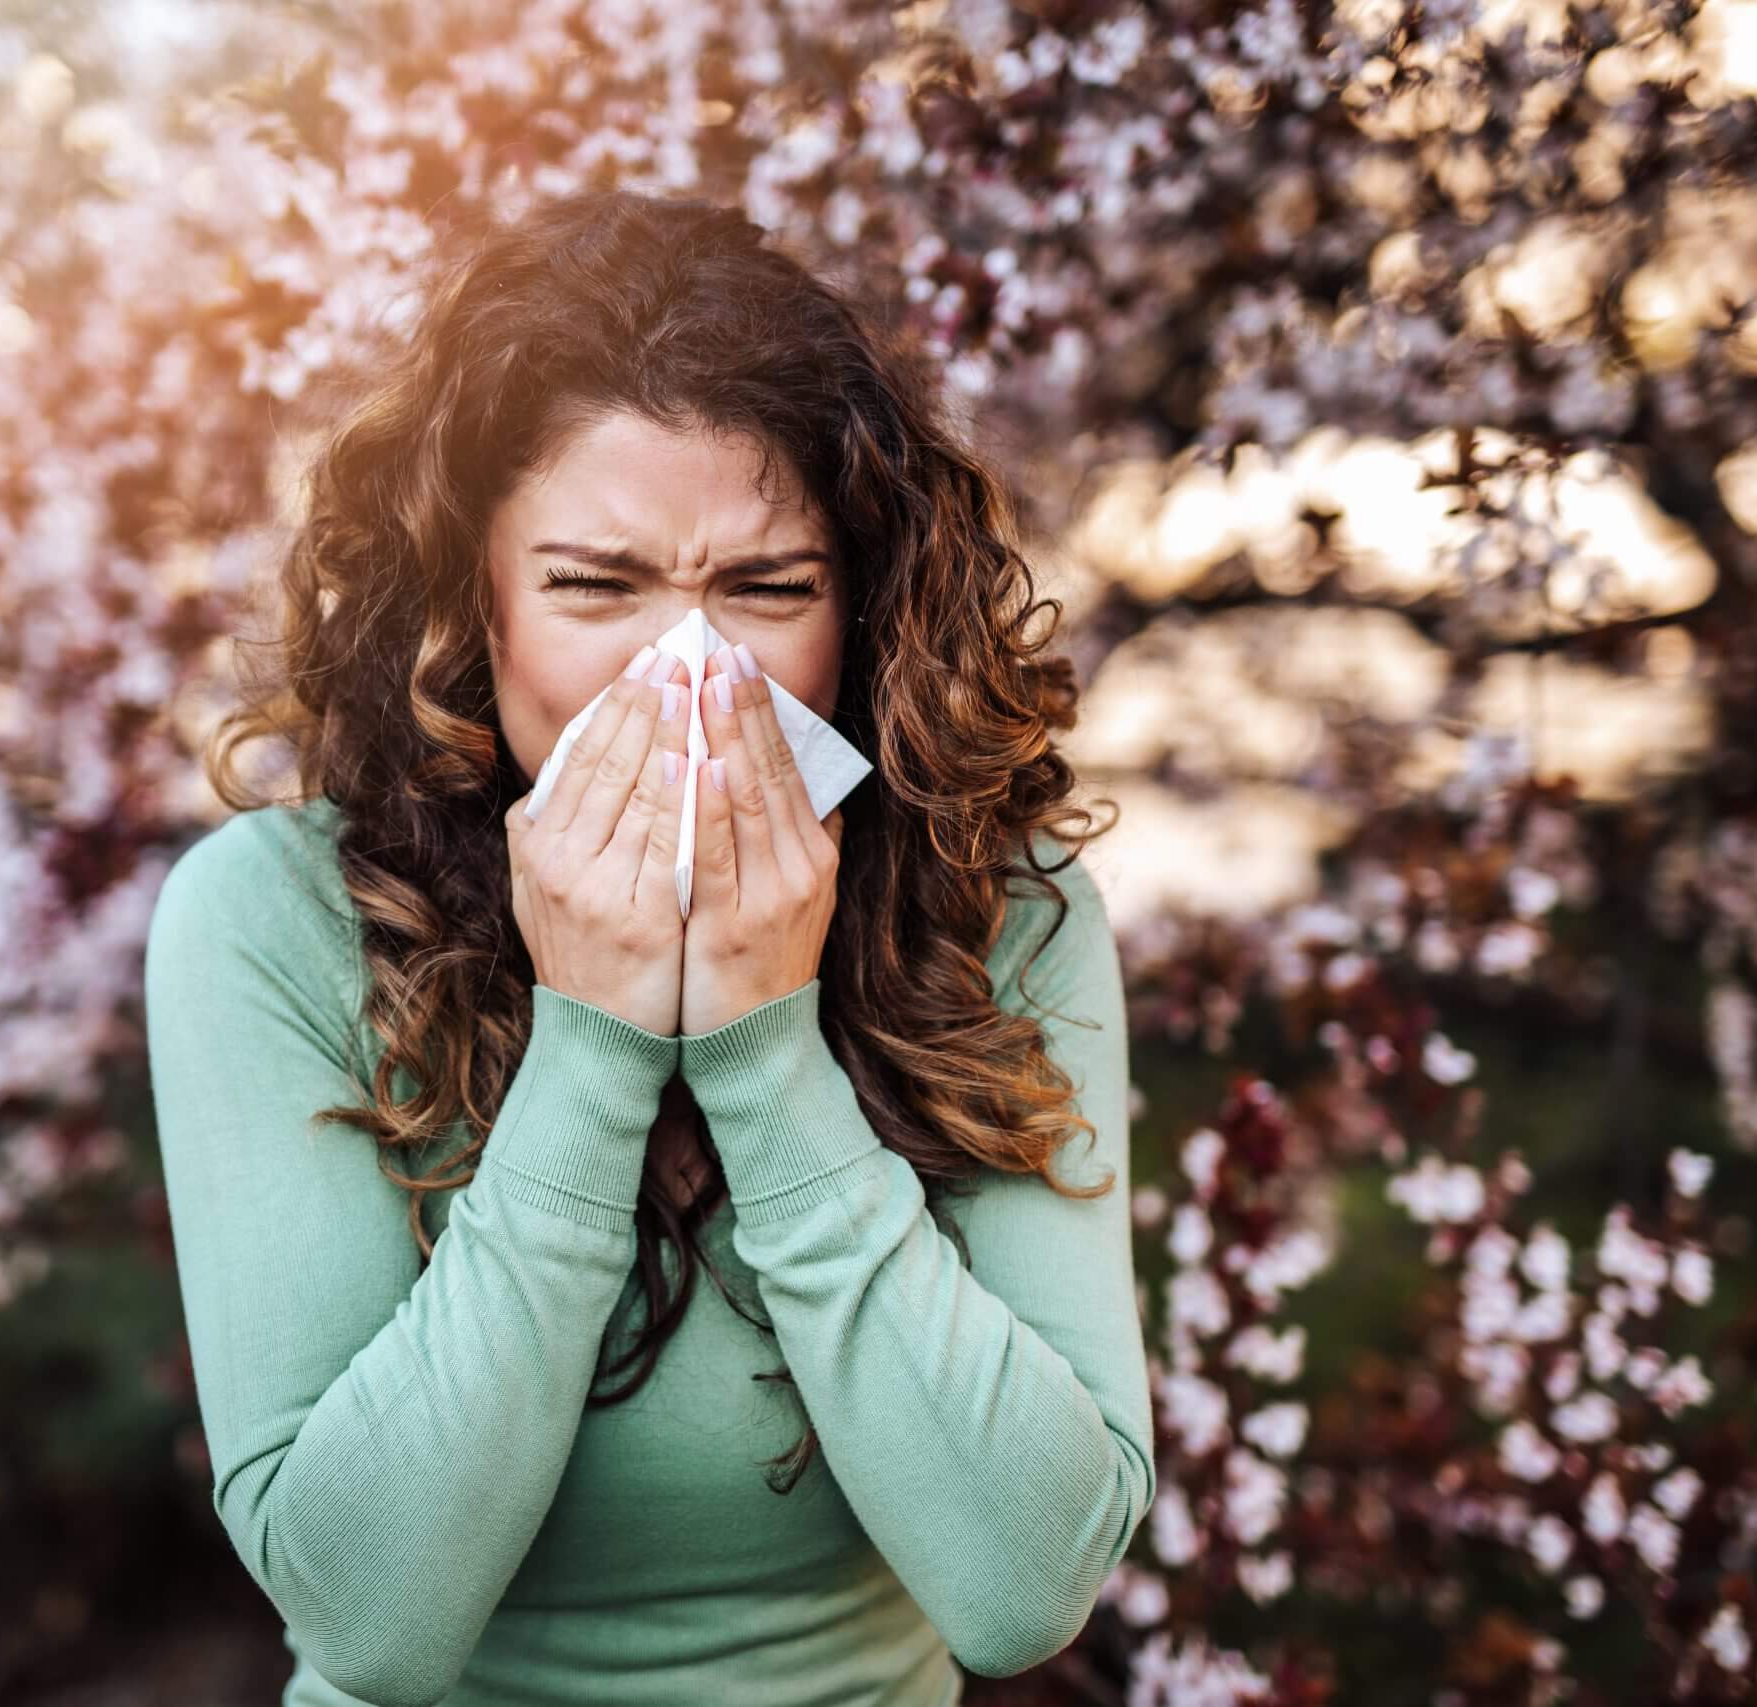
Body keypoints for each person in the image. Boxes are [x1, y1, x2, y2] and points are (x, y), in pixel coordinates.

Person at [143, 188, 1153, 1707]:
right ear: (469, 607)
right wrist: (597, 1042)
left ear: (862, 613)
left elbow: (1023, 1587)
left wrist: (761, 1048)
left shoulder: (996, 907)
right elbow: (369, 1619)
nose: (688, 673)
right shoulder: (270, 921)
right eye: (595, 587)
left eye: (766, 590)